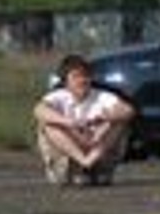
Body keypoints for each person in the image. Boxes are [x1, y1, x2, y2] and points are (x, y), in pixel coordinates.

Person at [34, 54, 135, 186]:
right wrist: (69, 123)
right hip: (67, 163)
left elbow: (128, 110)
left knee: (119, 122)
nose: (82, 80)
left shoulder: (102, 96)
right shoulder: (57, 97)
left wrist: (105, 118)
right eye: (76, 76)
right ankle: (82, 163)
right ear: (66, 82)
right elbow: (39, 110)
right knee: (48, 125)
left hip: (97, 150)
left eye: (85, 76)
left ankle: (93, 164)